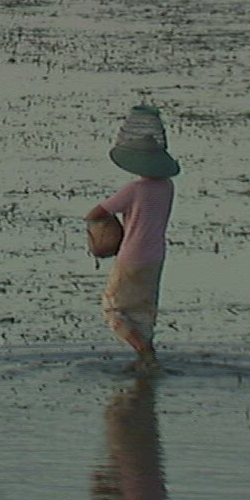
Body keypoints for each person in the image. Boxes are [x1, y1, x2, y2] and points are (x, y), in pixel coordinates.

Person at [85, 105, 179, 366]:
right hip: (156, 256)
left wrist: (107, 234)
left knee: (113, 310)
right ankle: (147, 361)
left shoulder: (134, 189)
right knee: (143, 315)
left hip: (132, 257)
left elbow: (95, 213)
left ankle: (143, 353)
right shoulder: (167, 187)